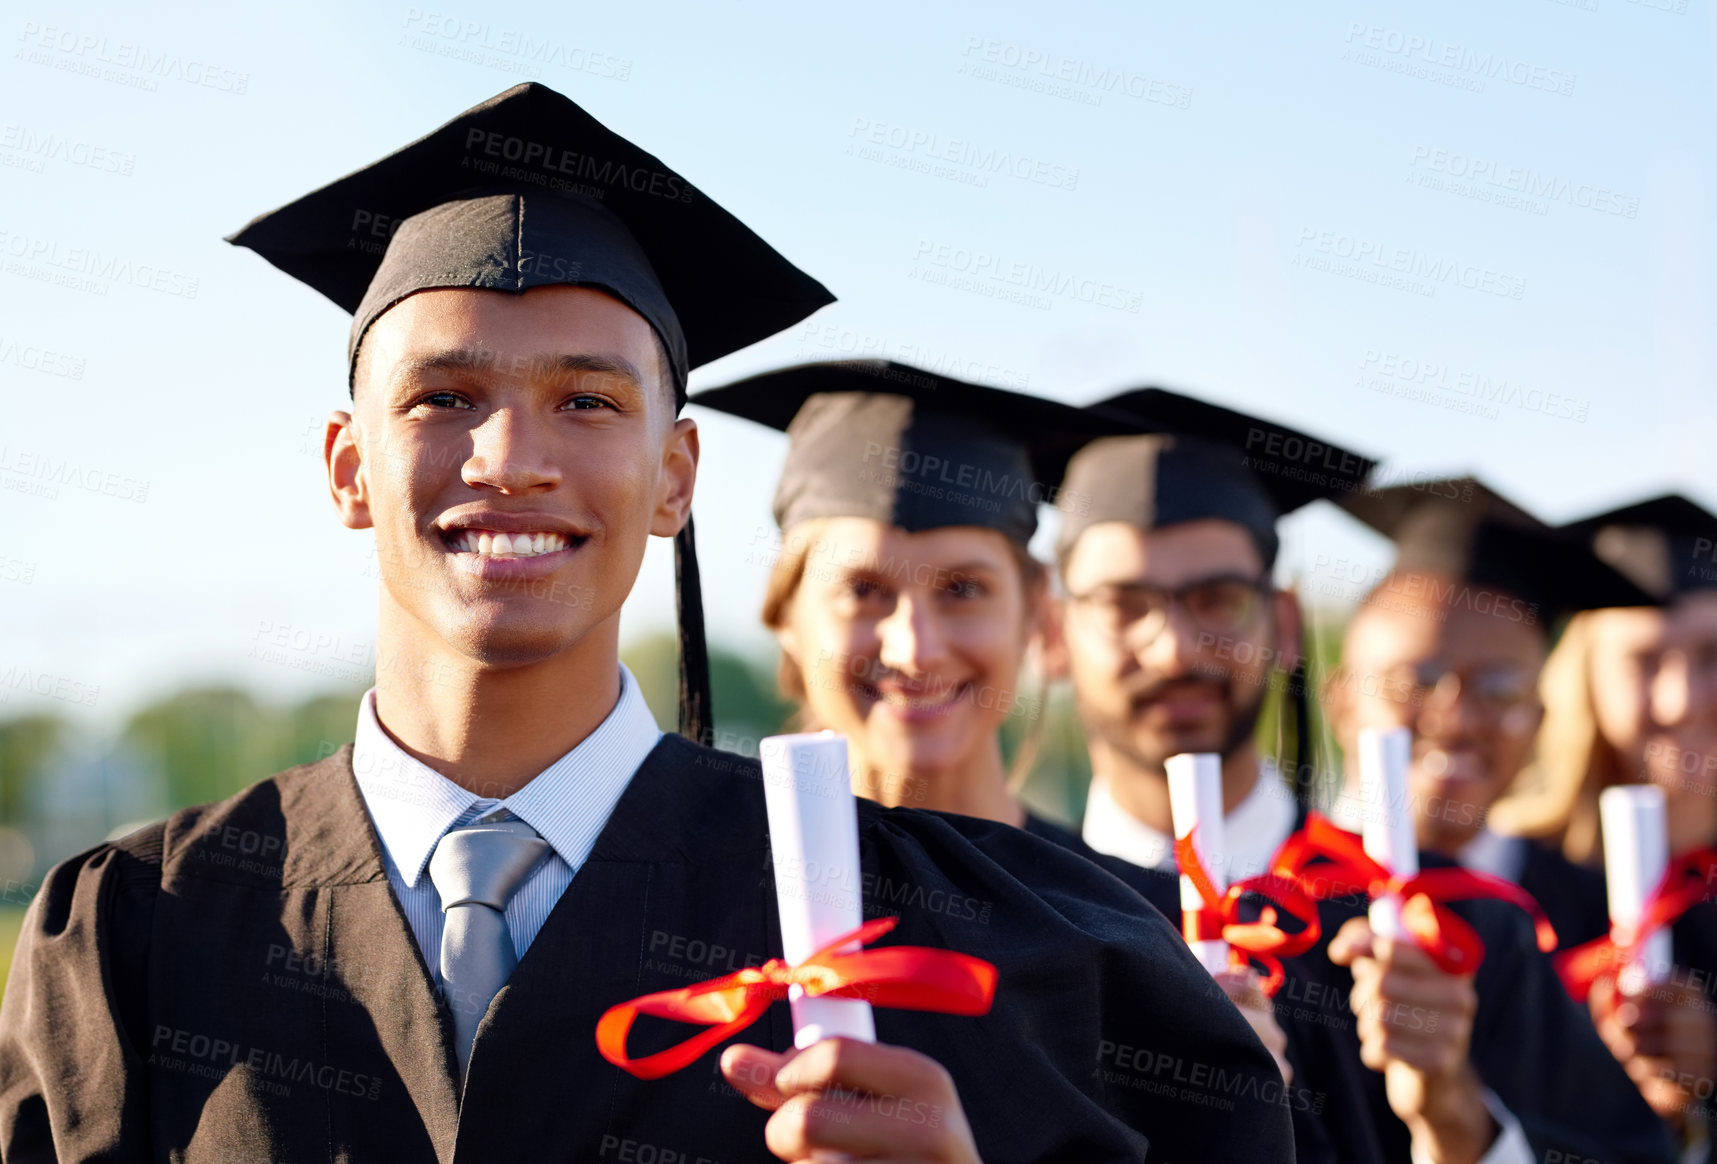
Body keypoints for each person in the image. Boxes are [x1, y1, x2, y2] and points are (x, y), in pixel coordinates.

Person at [0, 90, 1293, 1162]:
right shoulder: (137, 937)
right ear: (347, 468)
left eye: (587, 402)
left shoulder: (950, 940)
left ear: (677, 475)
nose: (510, 456)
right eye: (443, 396)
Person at [694, 358, 1306, 1148]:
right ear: (784, 615)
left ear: (1035, 618)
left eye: (962, 589)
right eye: (863, 591)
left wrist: (1240, 1115)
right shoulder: (684, 891)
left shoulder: (1145, 930)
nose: (914, 646)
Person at [1054, 419, 1674, 1164]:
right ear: (1052, 632)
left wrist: (1456, 1119)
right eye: (1123, 604)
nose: (1176, 647)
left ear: (1285, 624)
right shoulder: (1016, 920)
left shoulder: (1457, 932)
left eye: (1218, 599)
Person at [1318, 475, 1672, 1163]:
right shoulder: (1270, 906)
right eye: (1414, 680)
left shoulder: (1613, 925)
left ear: (1538, 722)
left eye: (1499, 689)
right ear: (1340, 702)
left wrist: (1681, 1114)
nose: (1454, 717)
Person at [1490, 493, 1717, 1157]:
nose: (1681, 700)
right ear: (1583, 677)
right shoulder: (1509, 880)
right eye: (1644, 662)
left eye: (1710, 654)